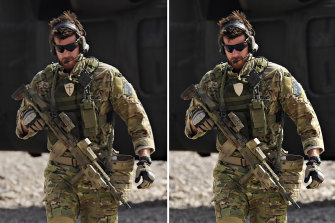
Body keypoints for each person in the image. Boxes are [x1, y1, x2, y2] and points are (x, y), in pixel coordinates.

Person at [184, 11, 324, 223]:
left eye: (240, 47)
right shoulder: (212, 81)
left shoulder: (274, 76)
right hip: (228, 173)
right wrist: (196, 123)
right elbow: (191, 128)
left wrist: (313, 160)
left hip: (268, 170)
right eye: (230, 48)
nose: (235, 53)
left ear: (251, 44)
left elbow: (305, 116)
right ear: (223, 48)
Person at [15, 11, 155, 223]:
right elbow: (22, 130)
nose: (66, 53)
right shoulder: (43, 82)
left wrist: (144, 160)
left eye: (71, 47)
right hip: (60, 173)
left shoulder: (105, 76)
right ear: (54, 49)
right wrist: (27, 123)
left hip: (99, 170)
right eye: (61, 49)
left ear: (82, 44)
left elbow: (136, 116)